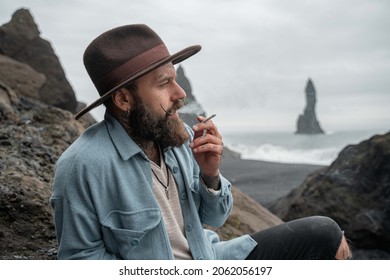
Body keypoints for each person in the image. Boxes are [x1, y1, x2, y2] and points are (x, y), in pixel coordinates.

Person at [50, 24, 351, 260]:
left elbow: (216, 217)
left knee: (326, 233)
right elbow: (81, 259)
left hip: (212, 259)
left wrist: (210, 175)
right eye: (164, 83)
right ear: (124, 98)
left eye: (175, 79)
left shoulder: (176, 136)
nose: (180, 94)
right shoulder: (82, 166)